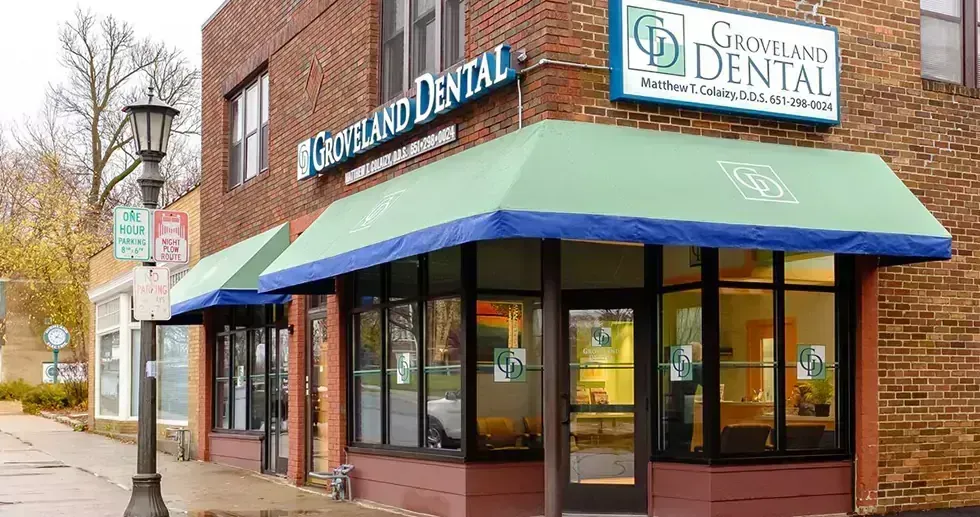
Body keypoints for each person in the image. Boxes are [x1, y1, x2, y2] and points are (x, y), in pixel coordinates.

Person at [665, 342, 702, 454]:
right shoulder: (695, 368)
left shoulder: (679, 365)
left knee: (676, 437)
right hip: (686, 408)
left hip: (675, 407)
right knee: (685, 437)